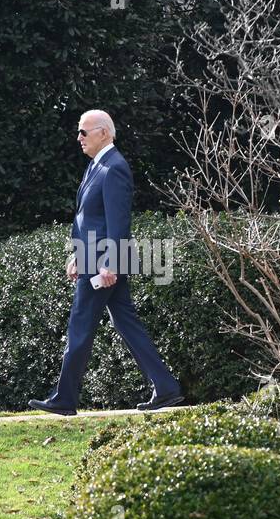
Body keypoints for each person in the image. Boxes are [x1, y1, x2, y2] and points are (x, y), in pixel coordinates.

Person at [28, 109, 182, 416]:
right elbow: (86, 219)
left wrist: (111, 263)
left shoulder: (114, 167)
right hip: (92, 258)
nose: (79, 138)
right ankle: (165, 387)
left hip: (102, 263)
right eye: (79, 132)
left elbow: (118, 221)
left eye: (84, 132)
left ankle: (64, 398)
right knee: (124, 322)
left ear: (105, 133)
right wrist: (75, 255)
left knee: (80, 325)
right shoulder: (96, 166)